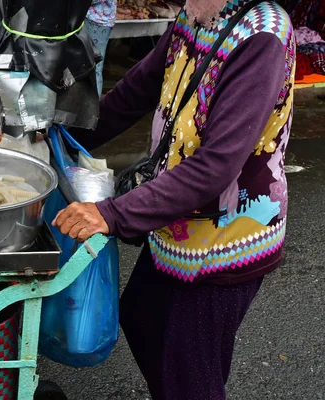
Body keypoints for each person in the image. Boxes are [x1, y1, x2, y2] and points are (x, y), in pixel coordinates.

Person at [53, 1, 295, 399]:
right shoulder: (197, 12)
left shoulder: (262, 36)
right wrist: (61, 137)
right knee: (143, 319)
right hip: (179, 225)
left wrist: (111, 213)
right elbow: (136, 90)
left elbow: (216, 166)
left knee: (188, 374)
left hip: (225, 242)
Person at [85, 0, 117, 96]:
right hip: (97, 19)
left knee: (94, 66)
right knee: (93, 66)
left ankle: (92, 106)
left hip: (96, 20)